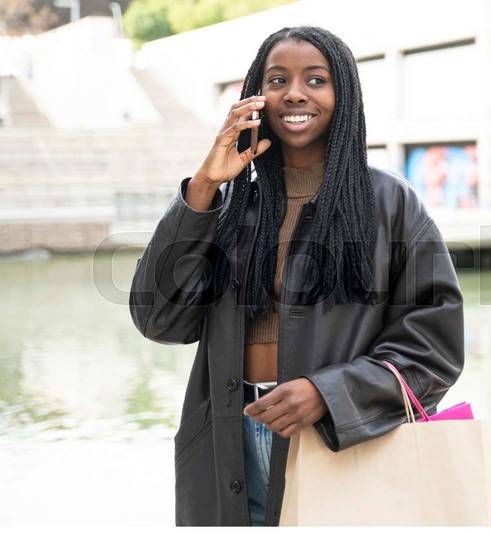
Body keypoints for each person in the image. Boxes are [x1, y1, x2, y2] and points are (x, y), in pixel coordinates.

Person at [129, 25, 465, 526]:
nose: (294, 94)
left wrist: (328, 393)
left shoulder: (388, 203)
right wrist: (201, 189)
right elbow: (159, 319)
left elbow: (434, 348)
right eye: (278, 79)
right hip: (230, 438)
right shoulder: (233, 206)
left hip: (340, 438)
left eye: (316, 79)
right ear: (255, 96)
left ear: (343, 94)